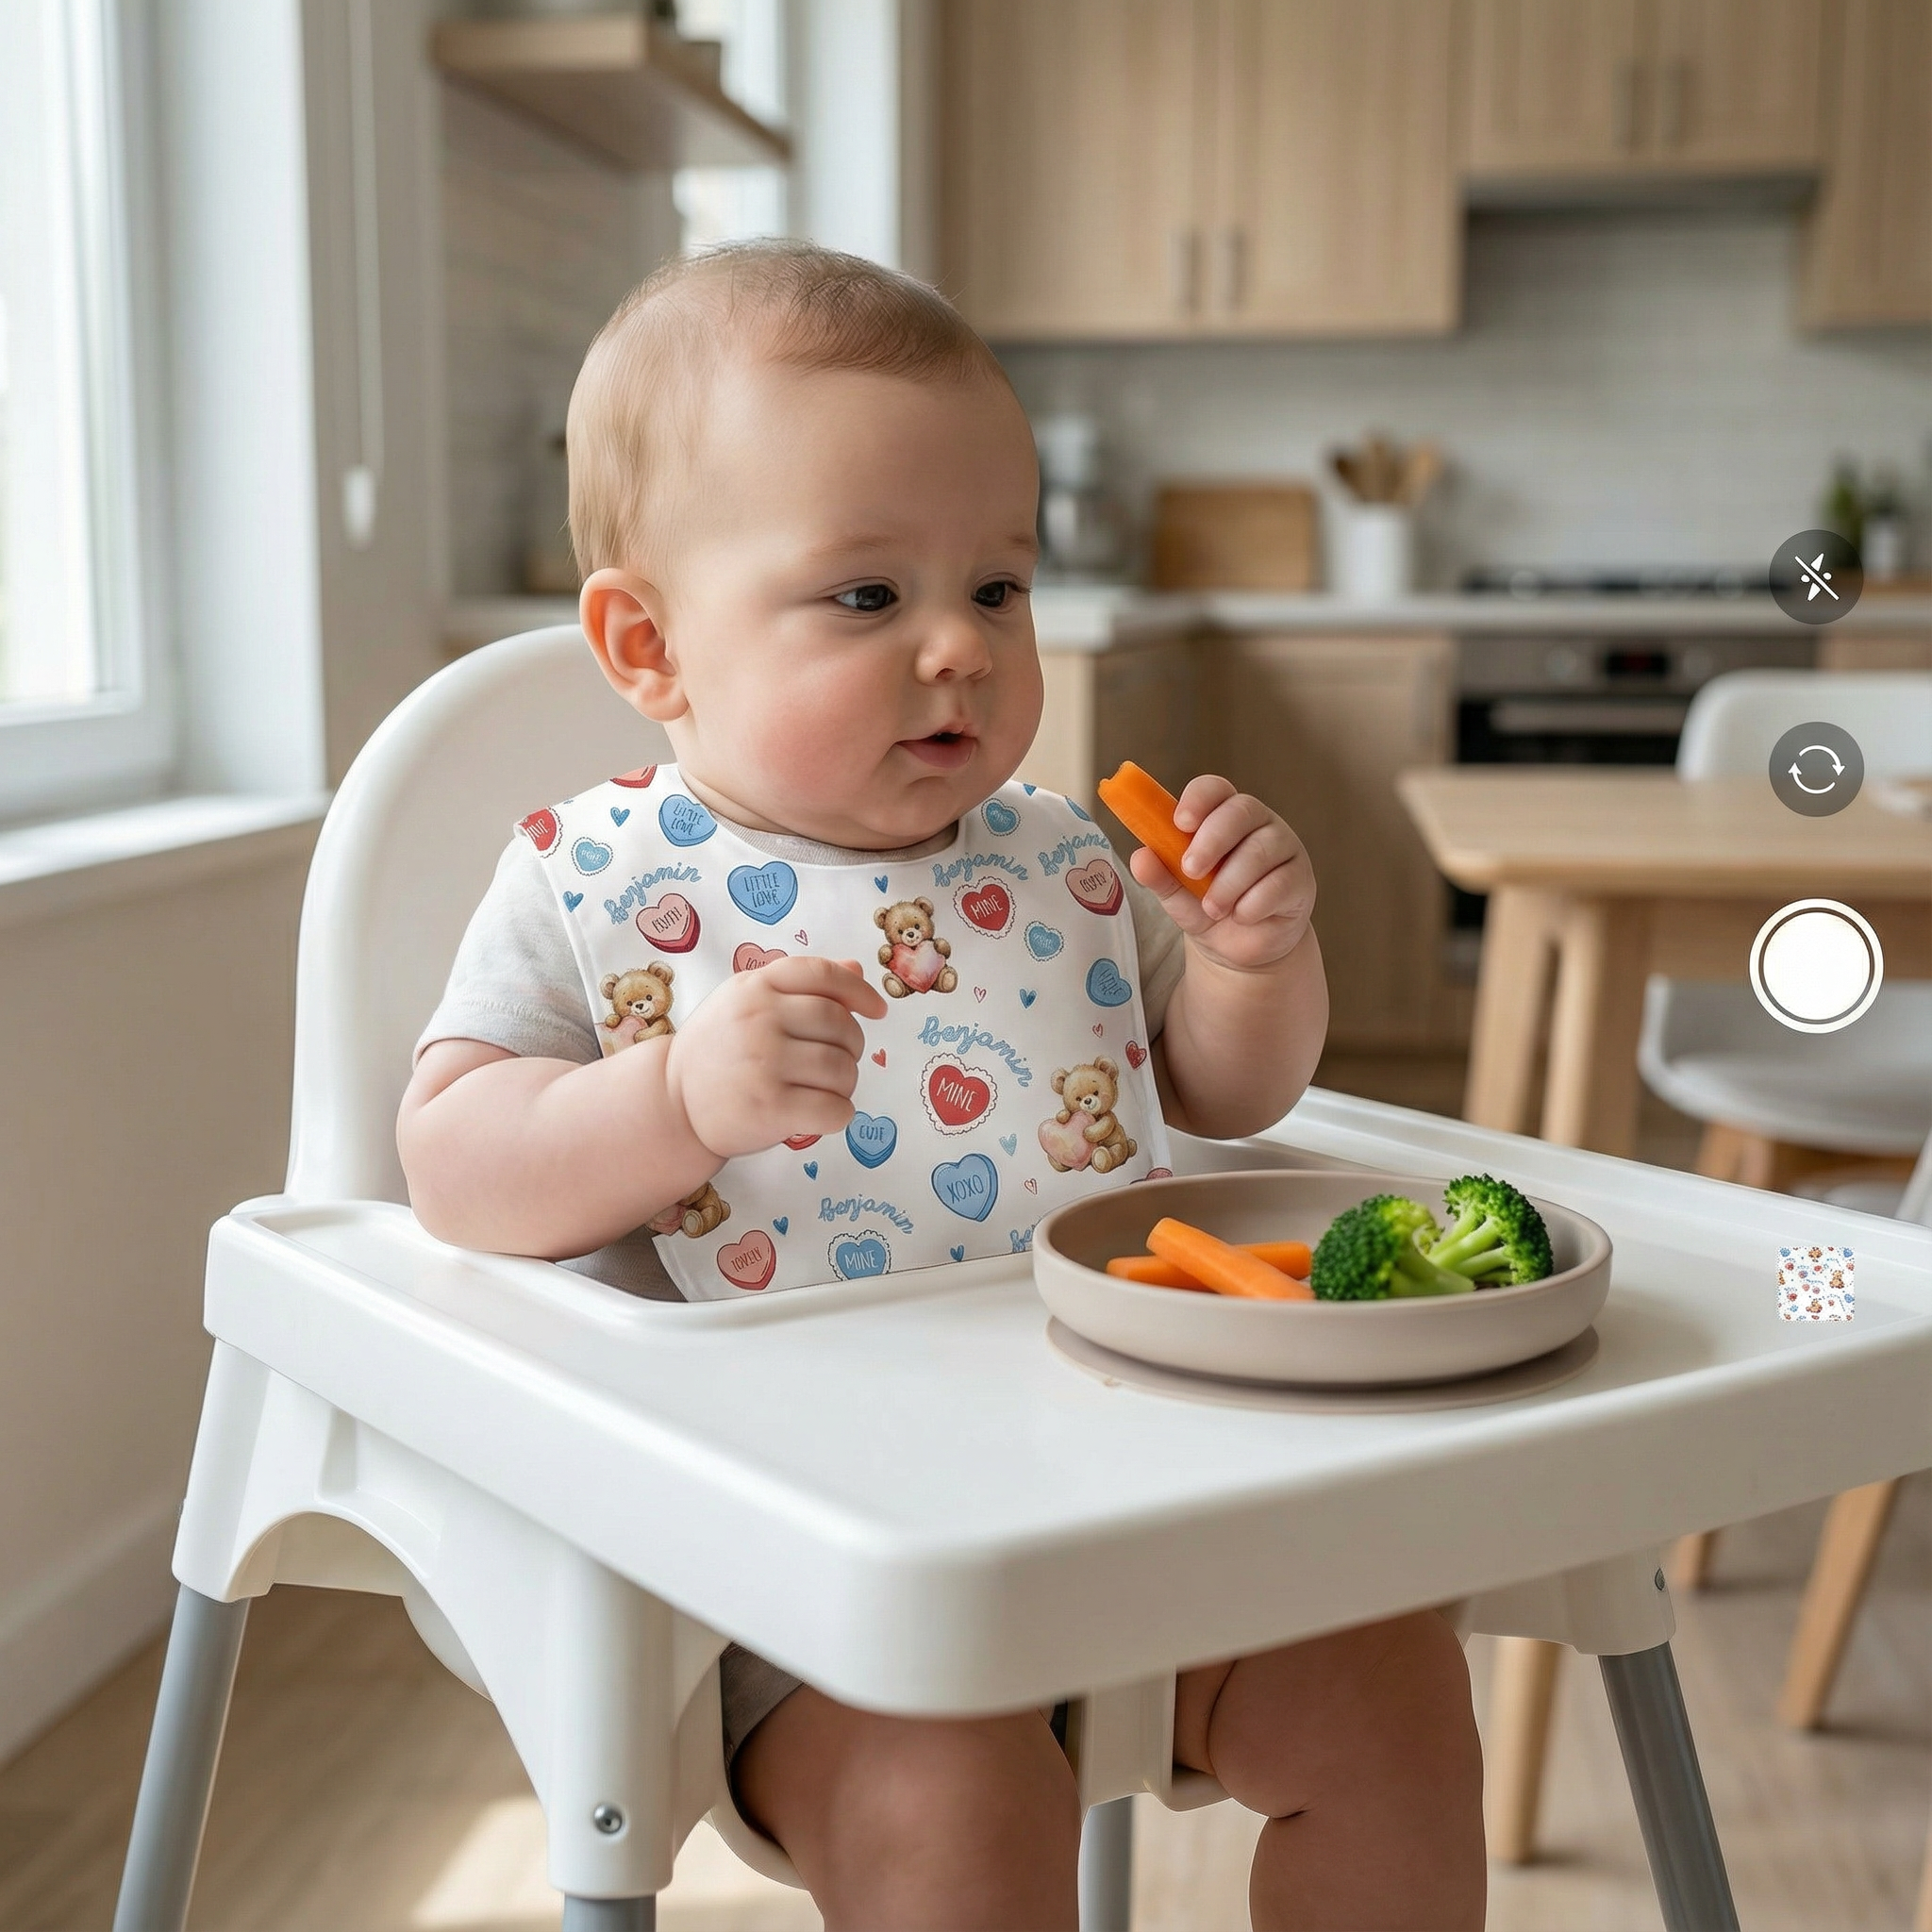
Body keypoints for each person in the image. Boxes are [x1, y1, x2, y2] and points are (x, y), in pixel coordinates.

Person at [398, 241, 1482, 1931]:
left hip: (1136, 1485)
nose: (960, 650)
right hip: (797, 1577)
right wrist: (674, 1100)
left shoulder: (1062, 865)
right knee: (952, 1804)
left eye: (997, 588)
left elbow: (1219, 1095)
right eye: (865, 596)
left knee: (1393, 1694)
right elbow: (458, 1169)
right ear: (649, 642)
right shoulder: (593, 885)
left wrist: (1258, 963)